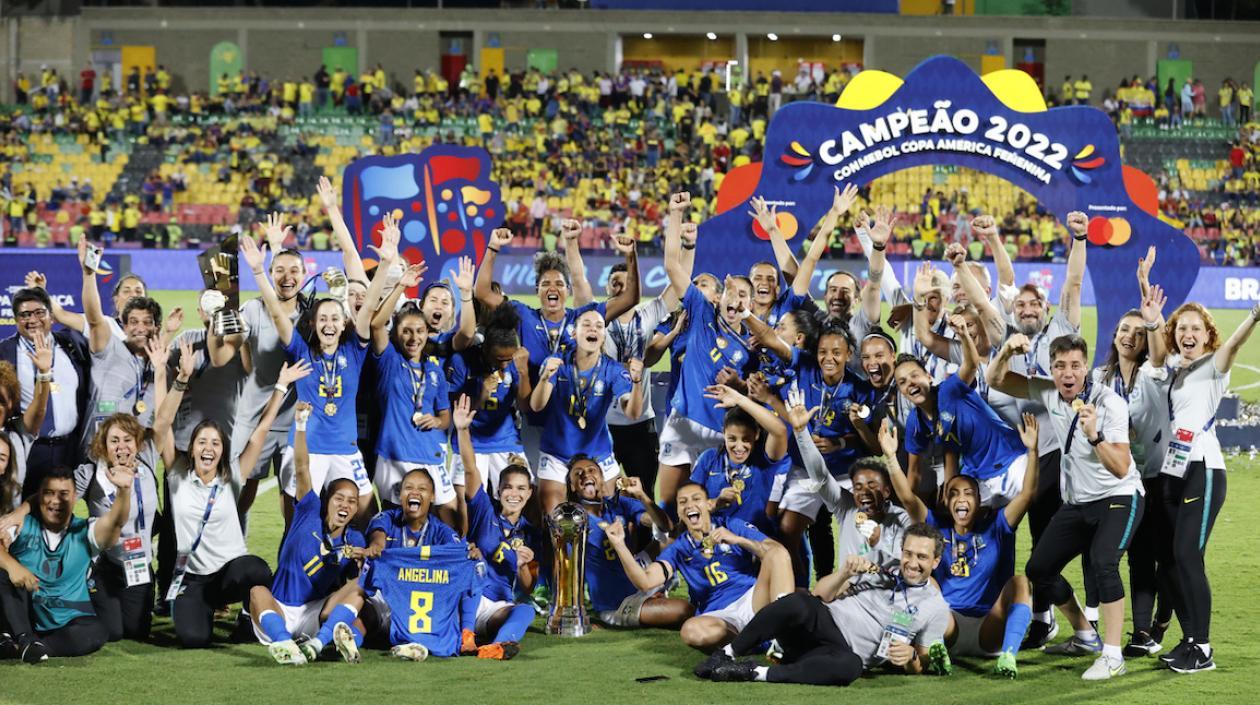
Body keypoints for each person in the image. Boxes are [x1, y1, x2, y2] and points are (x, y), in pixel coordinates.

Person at [987, 333, 1143, 680]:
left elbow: (1120, 467)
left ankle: (1113, 655)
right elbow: (995, 379)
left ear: (1086, 367)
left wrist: (1095, 435)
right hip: (1078, 503)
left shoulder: (1109, 403)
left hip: (1119, 497)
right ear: (1051, 369)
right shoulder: (1046, 391)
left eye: (1074, 365)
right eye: (1059, 366)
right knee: (1039, 570)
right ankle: (1085, 634)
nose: (1067, 373)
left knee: (1104, 564)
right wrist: (1008, 350)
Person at [240, 213, 392, 521]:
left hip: (347, 451)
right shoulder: (300, 350)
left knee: (367, 513)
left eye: (335, 318)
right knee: (302, 518)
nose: (329, 324)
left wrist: (386, 265)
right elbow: (279, 314)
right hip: (310, 452)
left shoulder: (355, 349)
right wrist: (258, 270)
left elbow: (368, 310)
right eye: (323, 318)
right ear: (312, 323)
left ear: (343, 323)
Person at [156, 354, 301, 648]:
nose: (208, 448)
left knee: (256, 570)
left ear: (223, 451)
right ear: (192, 448)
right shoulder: (177, 474)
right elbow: (161, 426)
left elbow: (260, 432)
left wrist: (281, 387)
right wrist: (175, 379)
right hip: (193, 579)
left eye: (215, 443)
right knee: (193, 639)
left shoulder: (232, 475)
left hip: (227, 573)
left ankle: (249, 616)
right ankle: (205, 611)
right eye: (202, 442)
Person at [885, 404, 1041, 678]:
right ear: (946, 500)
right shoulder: (936, 525)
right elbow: (908, 499)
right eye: (954, 493)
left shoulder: (998, 525)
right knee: (925, 581)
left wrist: (1032, 450)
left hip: (989, 626)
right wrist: (889, 455)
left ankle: (1008, 656)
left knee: (1020, 583)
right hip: (948, 623)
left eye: (968, 493)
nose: (961, 498)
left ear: (978, 502)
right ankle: (926, 648)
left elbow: (1026, 495)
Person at [1145, 300, 1259, 673]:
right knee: (1171, 563)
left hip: (1203, 470)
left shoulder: (1214, 365)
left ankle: (1203, 649)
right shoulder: (1177, 370)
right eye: (1182, 329)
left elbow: (1234, 348)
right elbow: (1160, 353)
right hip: (1174, 471)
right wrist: (1155, 317)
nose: (1188, 334)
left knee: (1186, 554)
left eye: (1196, 328)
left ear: (1208, 335)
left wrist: (1254, 316)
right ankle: (1190, 639)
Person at [694, 523, 952, 684]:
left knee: (850, 667)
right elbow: (821, 593)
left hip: (840, 653)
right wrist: (845, 574)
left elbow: (921, 664)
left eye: (922, 556)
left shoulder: (936, 607)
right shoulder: (881, 561)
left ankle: (753, 673)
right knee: (800, 601)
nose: (912, 562)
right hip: (821, 622)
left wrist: (910, 658)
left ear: (936, 561)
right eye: (908, 553)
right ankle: (725, 654)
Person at [658, 192, 757, 508]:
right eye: (731, 291)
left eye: (744, 295)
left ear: (751, 305)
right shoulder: (701, 313)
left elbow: (756, 396)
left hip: (720, 433)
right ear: (721, 296)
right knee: (671, 504)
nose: (736, 299)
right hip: (682, 422)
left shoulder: (752, 348)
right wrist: (675, 215)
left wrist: (740, 385)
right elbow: (672, 265)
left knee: (713, 507)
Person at [249, 402, 365, 665]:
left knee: (360, 591)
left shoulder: (354, 540)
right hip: (279, 607)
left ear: (357, 508)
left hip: (313, 612)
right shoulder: (308, 512)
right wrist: (301, 424)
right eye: (339, 498)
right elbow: (302, 467)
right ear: (327, 501)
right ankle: (285, 642)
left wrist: (364, 564)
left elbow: (356, 588)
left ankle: (321, 643)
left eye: (352, 501)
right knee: (257, 591)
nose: (345, 505)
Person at [1095, 273, 1172, 658]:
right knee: (1138, 554)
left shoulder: (1153, 375)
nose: (1130, 337)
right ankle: (1142, 632)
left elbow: (1159, 355)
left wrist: (1153, 318)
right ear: (1114, 336)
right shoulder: (1100, 380)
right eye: (1124, 330)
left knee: (1168, 559)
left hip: (1161, 477)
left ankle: (1160, 621)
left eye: (1138, 333)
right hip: (1123, 480)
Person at [0, 466, 133, 662]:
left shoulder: (86, 530)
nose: (55, 501)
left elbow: (115, 523)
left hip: (68, 620)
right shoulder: (21, 524)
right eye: (49, 493)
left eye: (63, 494)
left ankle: (30, 648)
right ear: (39, 496)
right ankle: (25, 639)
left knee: (97, 632)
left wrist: (124, 491)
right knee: (3, 571)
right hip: (27, 617)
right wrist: (12, 566)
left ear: (74, 497)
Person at [369, 255, 461, 517]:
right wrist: (400, 286)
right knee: (393, 517)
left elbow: (445, 415)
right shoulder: (389, 361)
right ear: (396, 333)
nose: (414, 337)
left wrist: (437, 421)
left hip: (430, 453)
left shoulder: (434, 370)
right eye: (406, 331)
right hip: (393, 454)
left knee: (449, 514)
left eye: (419, 331)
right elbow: (376, 324)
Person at [530, 309, 645, 513]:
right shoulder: (557, 362)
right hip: (557, 453)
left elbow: (633, 413)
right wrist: (545, 378)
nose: (593, 328)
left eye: (599, 326)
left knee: (613, 513)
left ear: (603, 336)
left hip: (598, 453)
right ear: (574, 333)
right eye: (587, 324)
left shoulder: (614, 370)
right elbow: (536, 405)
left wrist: (637, 383)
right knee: (552, 519)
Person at [452, 395, 536, 660]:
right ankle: (466, 636)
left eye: (521, 488)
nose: (514, 493)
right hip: (464, 598)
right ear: (498, 491)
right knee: (474, 573)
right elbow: (470, 471)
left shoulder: (530, 532)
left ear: (529, 493)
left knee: (525, 610)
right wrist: (463, 430)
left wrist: (522, 566)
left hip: (495, 607)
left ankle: (497, 646)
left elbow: (528, 587)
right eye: (508, 487)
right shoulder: (483, 510)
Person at [568, 456, 692, 629]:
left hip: (636, 571)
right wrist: (580, 614)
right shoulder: (574, 522)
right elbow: (569, 571)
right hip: (618, 603)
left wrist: (642, 495)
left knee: (678, 531)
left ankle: (661, 582)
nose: (585, 475)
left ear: (602, 477)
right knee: (684, 610)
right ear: (573, 486)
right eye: (578, 473)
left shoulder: (619, 504)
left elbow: (665, 527)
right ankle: (656, 591)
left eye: (591, 470)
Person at [78, 239, 165, 454]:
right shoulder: (108, 345)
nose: (140, 328)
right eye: (133, 322)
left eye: (147, 322)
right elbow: (94, 319)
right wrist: (89, 275)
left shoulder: (157, 360)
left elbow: (164, 419)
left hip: (135, 454)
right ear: (124, 325)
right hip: (98, 450)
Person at [0, 287, 90, 489]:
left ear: (52, 317)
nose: (32, 320)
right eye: (25, 315)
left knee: (59, 511)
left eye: (39, 312)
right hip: (26, 448)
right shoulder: (4, 352)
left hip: (68, 447)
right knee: (20, 508)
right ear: (16, 320)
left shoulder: (73, 345)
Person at [447, 303, 532, 498]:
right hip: (470, 442)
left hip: (506, 440)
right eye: (498, 358)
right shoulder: (462, 361)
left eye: (507, 359)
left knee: (523, 498)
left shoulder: (516, 363)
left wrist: (523, 372)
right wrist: (481, 393)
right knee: (466, 503)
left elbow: (525, 406)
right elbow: (457, 413)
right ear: (485, 348)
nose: (503, 364)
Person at [687, 382, 789, 536]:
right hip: (714, 541)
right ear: (724, 433)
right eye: (732, 439)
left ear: (756, 434)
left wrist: (740, 399)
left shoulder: (764, 461)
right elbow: (688, 507)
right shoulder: (709, 459)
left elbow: (780, 431)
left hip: (752, 543)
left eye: (746, 439)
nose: (739, 447)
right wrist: (716, 503)